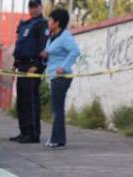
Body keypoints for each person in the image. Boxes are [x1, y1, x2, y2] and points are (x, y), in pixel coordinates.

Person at [9, 0, 48, 144]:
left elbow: (43, 47)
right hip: (22, 66)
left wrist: (37, 66)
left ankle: (33, 134)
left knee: (31, 101)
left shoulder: (42, 24)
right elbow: (21, 47)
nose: (32, 9)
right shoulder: (26, 24)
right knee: (22, 101)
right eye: (30, 6)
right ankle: (24, 131)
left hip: (32, 66)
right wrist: (15, 64)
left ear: (41, 7)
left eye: (35, 6)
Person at [42, 8, 80, 149]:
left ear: (57, 22)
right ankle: (58, 138)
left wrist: (63, 67)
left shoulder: (65, 37)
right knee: (56, 108)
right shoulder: (52, 37)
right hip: (53, 76)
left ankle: (57, 139)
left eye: (50, 21)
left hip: (62, 77)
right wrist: (45, 56)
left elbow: (75, 51)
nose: (48, 23)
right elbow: (52, 55)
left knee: (56, 108)